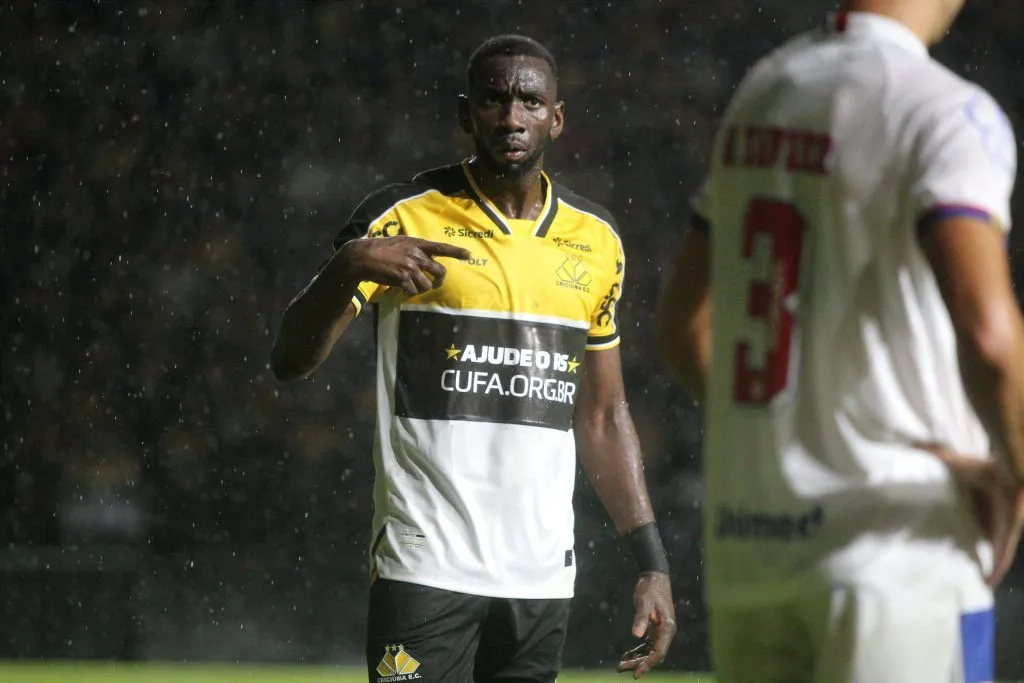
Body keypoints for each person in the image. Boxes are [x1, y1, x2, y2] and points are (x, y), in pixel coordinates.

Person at [271, 34, 675, 683]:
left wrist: (652, 561)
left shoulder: (597, 240)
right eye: (494, 99)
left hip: (540, 576)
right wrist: (348, 265)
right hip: (426, 566)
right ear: (466, 113)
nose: (511, 116)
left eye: (528, 101)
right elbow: (290, 360)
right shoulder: (401, 215)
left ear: (556, 117)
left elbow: (601, 415)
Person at [654, 2, 1024, 682]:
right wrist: (1013, 469)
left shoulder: (763, 93)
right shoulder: (946, 111)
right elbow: (990, 336)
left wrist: (788, 437)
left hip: (752, 548)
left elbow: (681, 326)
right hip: (896, 555)